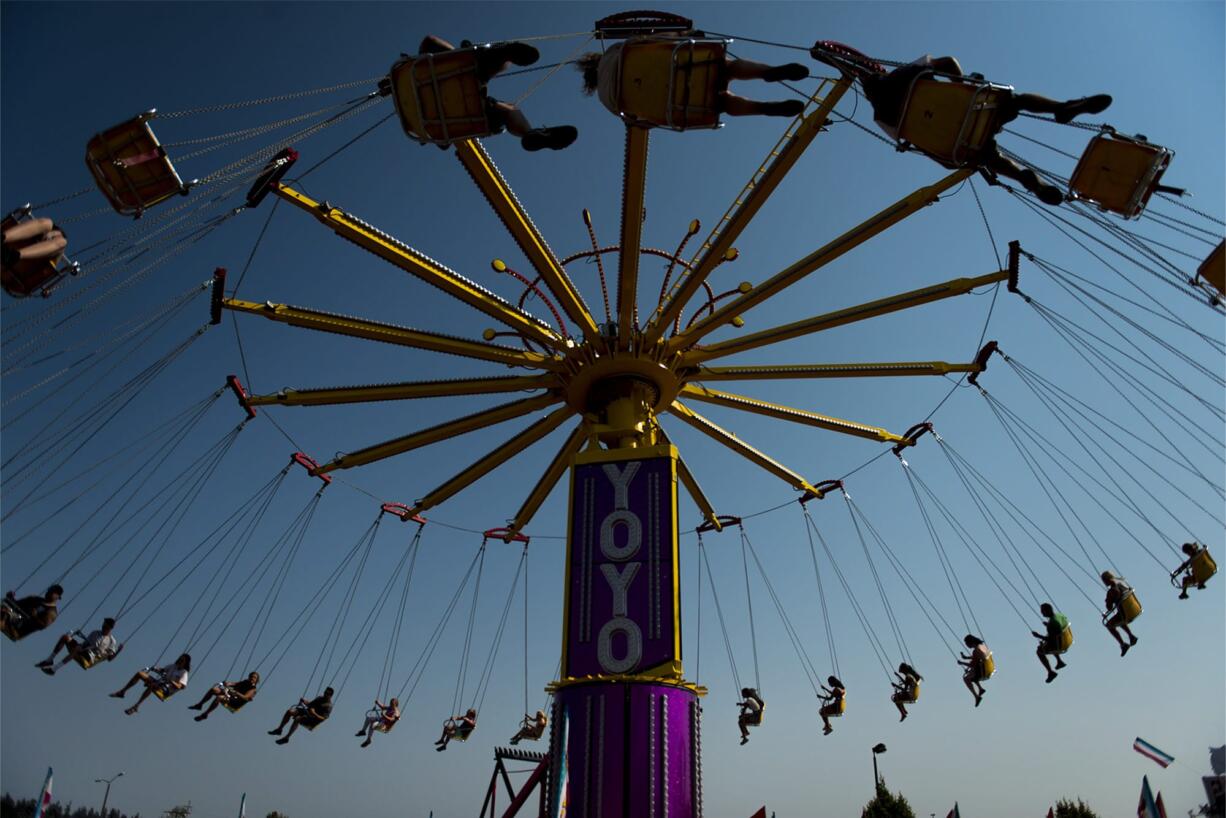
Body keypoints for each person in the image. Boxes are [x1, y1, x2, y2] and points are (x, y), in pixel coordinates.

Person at [811, 45, 1111, 206]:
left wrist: (958, 159)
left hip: (960, 142)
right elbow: (949, 62)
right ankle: (1060, 108)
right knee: (1013, 101)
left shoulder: (882, 117)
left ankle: (1032, 183)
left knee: (997, 162)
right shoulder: (903, 76)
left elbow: (923, 148)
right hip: (975, 110)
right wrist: (962, 84)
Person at [415, 35, 577, 151]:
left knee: (475, 71)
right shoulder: (431, 127)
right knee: (503, 111)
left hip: (438, 102)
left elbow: (428, 41)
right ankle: (529, 132)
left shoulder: (407, 84)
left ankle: (498, 55)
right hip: (455, 106)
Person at [577, 41, 809, 120]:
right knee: (726, 67)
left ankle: (762, 109)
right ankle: (767, 72)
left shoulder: (606, 101)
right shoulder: (614, 52)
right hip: (686, 66)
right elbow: (648, 42)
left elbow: (637, 118)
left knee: (723, 104)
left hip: (680, 103)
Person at [110, 653, 191, 715]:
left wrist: (172, 682)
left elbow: (181, 686)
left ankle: (136, 706)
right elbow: (163, 670)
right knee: (140, 674)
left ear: (185, 663)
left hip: (166, 691)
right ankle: (122, 692)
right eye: (180, 659)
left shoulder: (184, 673)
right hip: (160, 683)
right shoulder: (173, 666)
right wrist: (155, 668)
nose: (180, 661)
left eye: (182, 660)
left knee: (152, 685)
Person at [36, 617, 121, 674]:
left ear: (110, 628)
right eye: (103, 625)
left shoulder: (112, 641)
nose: (103, 627)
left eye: (105, 626)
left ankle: (54, 669)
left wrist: (118, 651)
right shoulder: (95, 633)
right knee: (65, 637)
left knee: (77, 649)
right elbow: (85, 644)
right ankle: (50, 659)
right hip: (82, 650)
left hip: (89, 658)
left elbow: (110, 658)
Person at [268, 687, 334, 745]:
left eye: (327, 693)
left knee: (298, 719)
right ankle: (279, 729)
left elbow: (323, 718)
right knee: (289, 712)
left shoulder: (328, 706)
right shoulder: (320, 698)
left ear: (330, 696)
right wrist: (304, 701)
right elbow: (310, 704)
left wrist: (314, 713)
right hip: (307, 712)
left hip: (313, 719)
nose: (325, 694)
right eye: (325, 692)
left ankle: (286, 738)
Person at [188, 671, 260, 721]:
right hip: (230, 694)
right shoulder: (245, 682)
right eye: (251, 676)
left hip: (235, 702)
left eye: (254, 677)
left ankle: (205, 714)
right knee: (214, 689)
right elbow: (235, 684)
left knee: (219, 697)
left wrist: (236, 692)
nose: (252, 678)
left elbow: (245, 697)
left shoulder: (253, 689)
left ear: (256, 680)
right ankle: (199, 705)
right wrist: (228, 683)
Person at [1101, 571, 1140, 656]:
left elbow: (1109, 607)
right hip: (1133, 609)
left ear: (1106, 580)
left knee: (1109, 625)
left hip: (1125, 615)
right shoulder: (1122, 583)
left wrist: (1107, 600)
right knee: (1119, 617)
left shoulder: (1112, 591)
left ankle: (1123, 644)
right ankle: (1131, 636)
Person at [1032, 603, 1070, 683]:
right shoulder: (1059, 616)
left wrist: (1038, 635)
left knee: (1039, 651)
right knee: (1049, 642)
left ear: (1048, 610)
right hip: (1065, 640)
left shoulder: (1051, 624)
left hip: (1058, 645)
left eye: (1043, 611)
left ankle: (1050, 672)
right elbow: (1058, 627)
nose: (1042, 613)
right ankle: (1059, 661)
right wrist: (1048, 625)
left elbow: (1050, 639)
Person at [958, 634, 992, 707]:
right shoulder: (982, 646)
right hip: (989, 669)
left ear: (970, 642)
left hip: (983, 672)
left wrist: (961, 663)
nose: (966, 645)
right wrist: (967, 657)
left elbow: (972, 664)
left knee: (966, 678)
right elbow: (979, 656)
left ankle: (976, 696)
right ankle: (980, 689)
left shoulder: (975, 651)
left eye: (966, 644)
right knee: (971, 672)